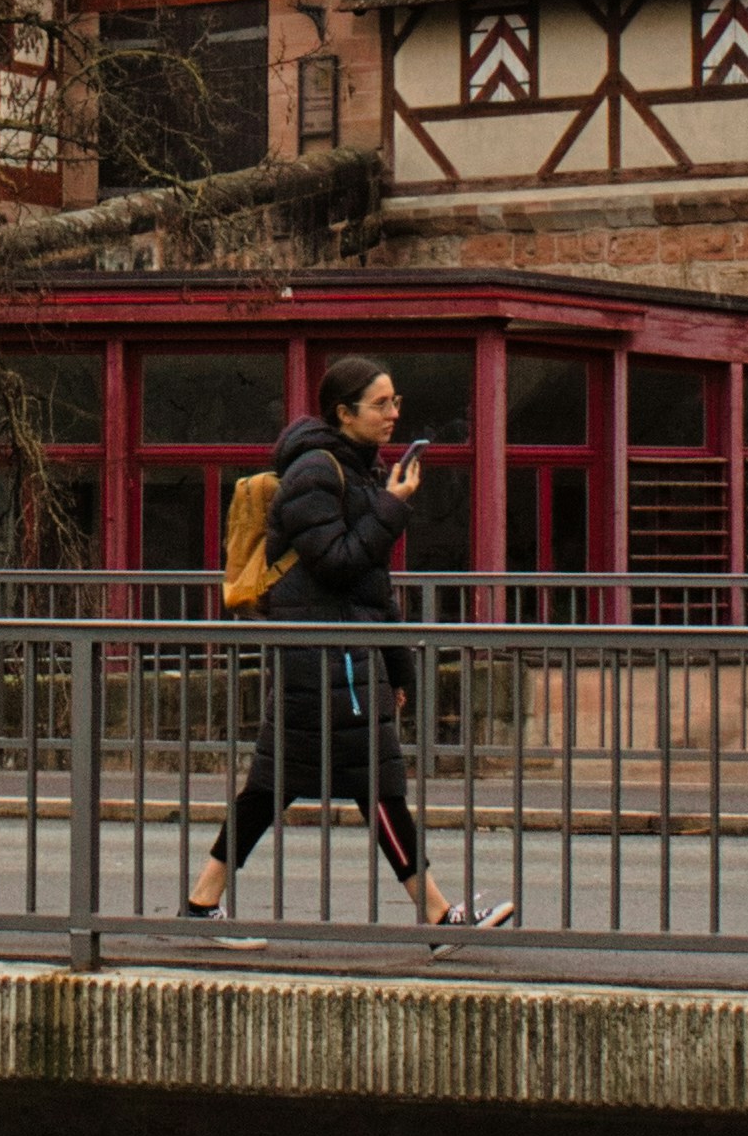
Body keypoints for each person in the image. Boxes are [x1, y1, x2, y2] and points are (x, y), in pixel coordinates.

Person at [184, 355, 514, 931]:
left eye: (396, 402)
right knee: (375, 788)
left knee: (272, 787)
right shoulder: (314, 472)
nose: (393, 414)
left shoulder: (359, 470)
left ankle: (202, 903)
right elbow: (337, 563)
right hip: (324, 661)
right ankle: (437, 916)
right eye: (381, 404)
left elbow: (372, 588)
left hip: (344, 659)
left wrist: (400, 670)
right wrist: (393, 505)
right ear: (344, 412)